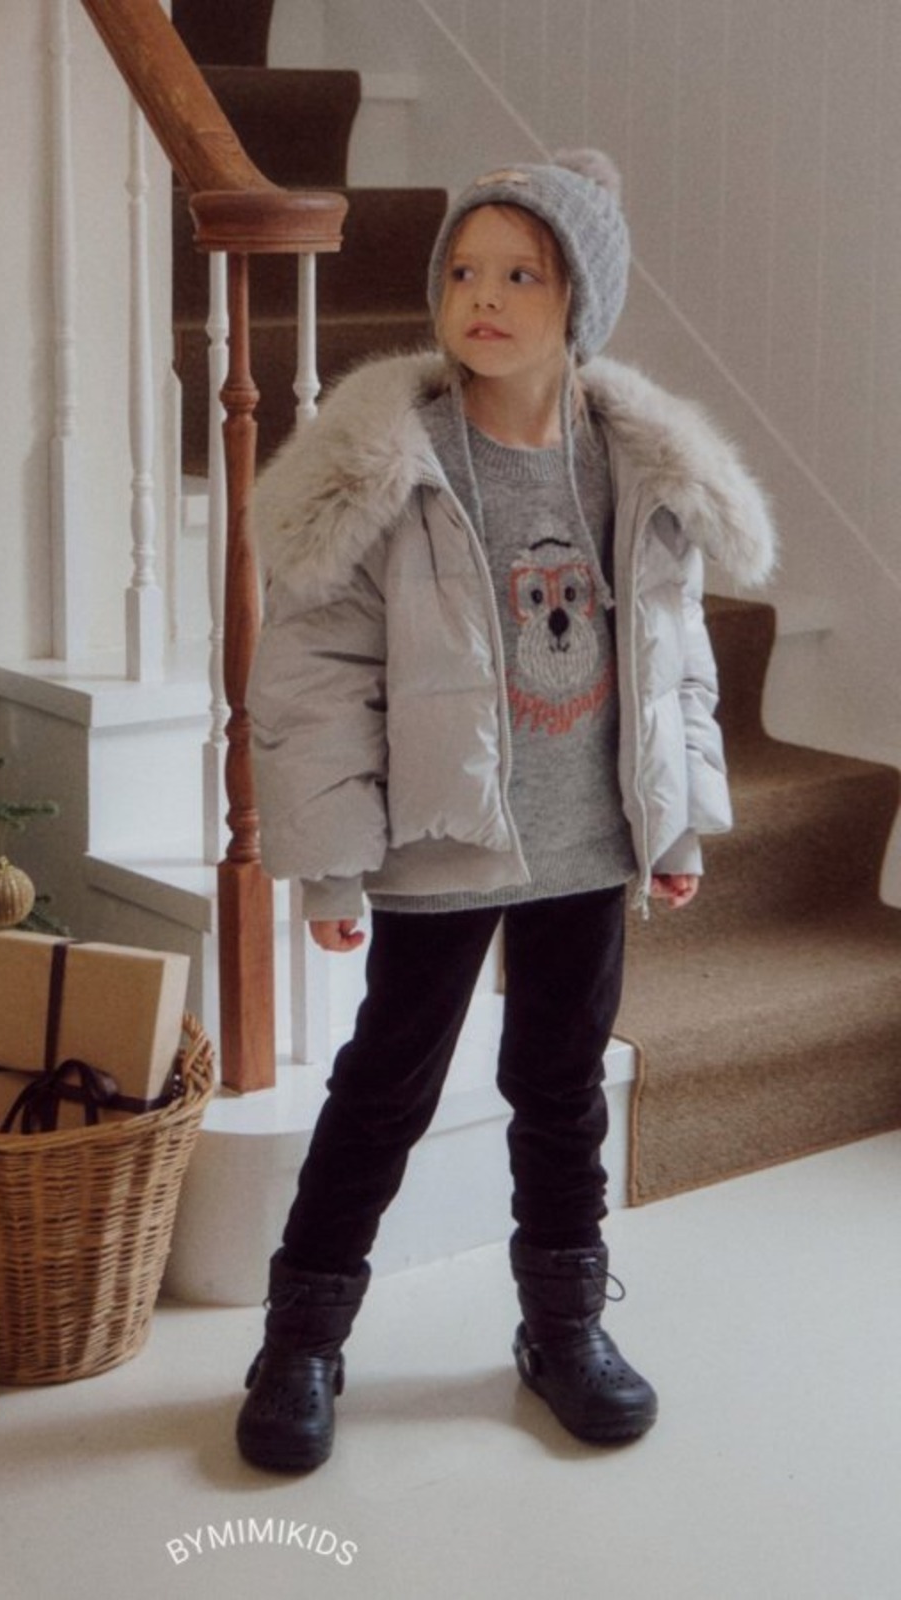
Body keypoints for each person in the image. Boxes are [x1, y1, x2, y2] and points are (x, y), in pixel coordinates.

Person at [235, 150, 777, 1472]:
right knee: (386, 1087)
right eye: (465, 272)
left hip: (585, 844)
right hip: (443, 841)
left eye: (521, 274)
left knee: (561, 1088)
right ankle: (301, 1340)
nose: (483, 297)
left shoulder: (632, 464)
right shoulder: (387, 462)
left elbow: (674, 658)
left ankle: (564, 1327)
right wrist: (330, 867)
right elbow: (314, 681)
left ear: (581, 300)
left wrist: (676, 824)